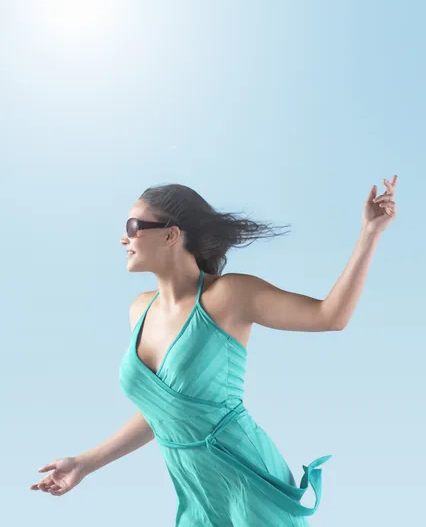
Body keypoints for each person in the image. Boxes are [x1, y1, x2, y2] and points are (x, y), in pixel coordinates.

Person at [30, 179, 397, 525]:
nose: (123, 239)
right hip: (195, 490)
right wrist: (84, 463)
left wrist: (369, 234)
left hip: (247, 475)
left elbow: (330, 316)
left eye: (132, 226)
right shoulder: (139, 310)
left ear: (171, 234)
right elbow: (166, 413)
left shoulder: (228, 296)